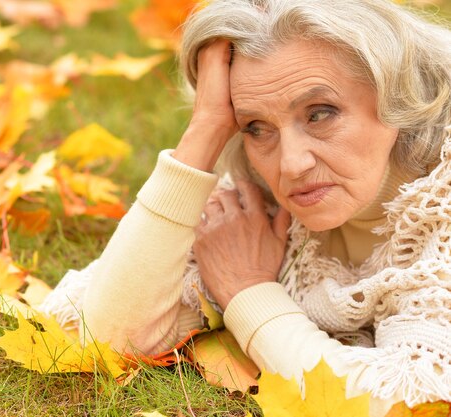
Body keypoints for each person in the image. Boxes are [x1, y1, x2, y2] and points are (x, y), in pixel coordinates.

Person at [40, 0, 451, 414]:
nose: (292, 164)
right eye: (256, 127)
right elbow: (105, 333)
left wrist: (247, 293)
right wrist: (206, 129)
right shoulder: (261, 198)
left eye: (320, 114)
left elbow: (401, 405)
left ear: (401, 95)